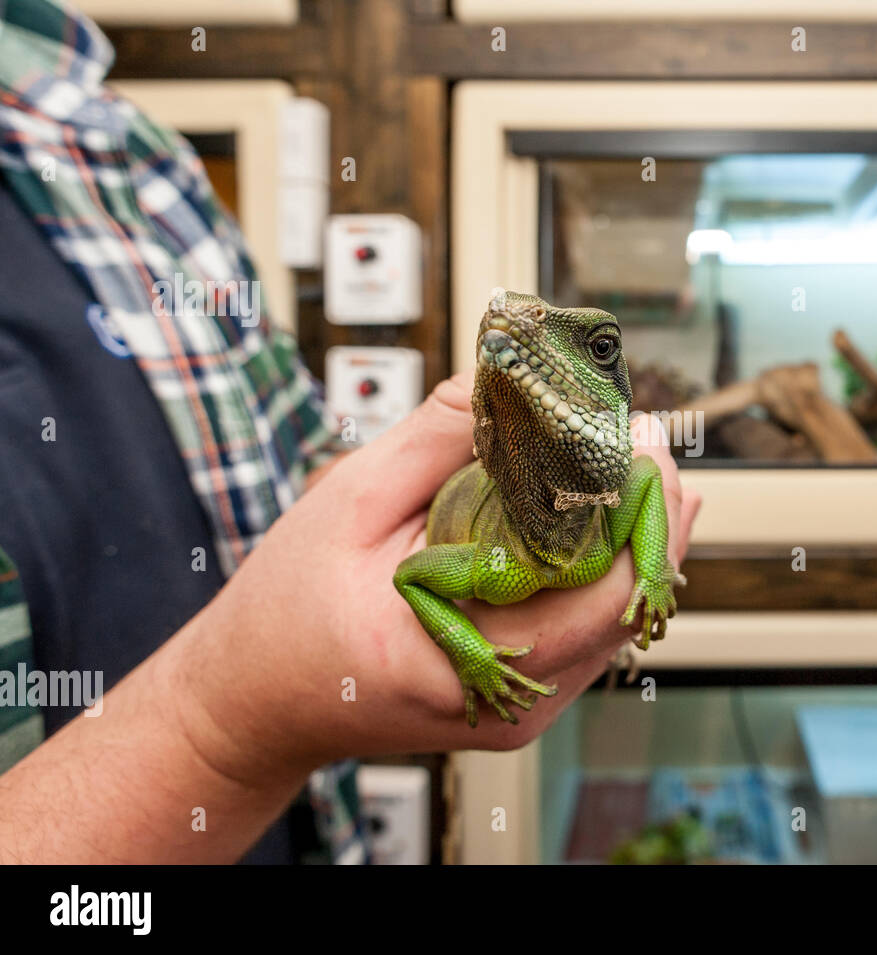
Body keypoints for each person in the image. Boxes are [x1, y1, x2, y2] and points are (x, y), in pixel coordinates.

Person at [0, 0, 700, 864]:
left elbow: (292, 450)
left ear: (617, 399)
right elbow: (418, 576)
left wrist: (655, 577)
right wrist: (236, 716)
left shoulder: (119, 139)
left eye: (594, 348)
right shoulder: (493, 564)